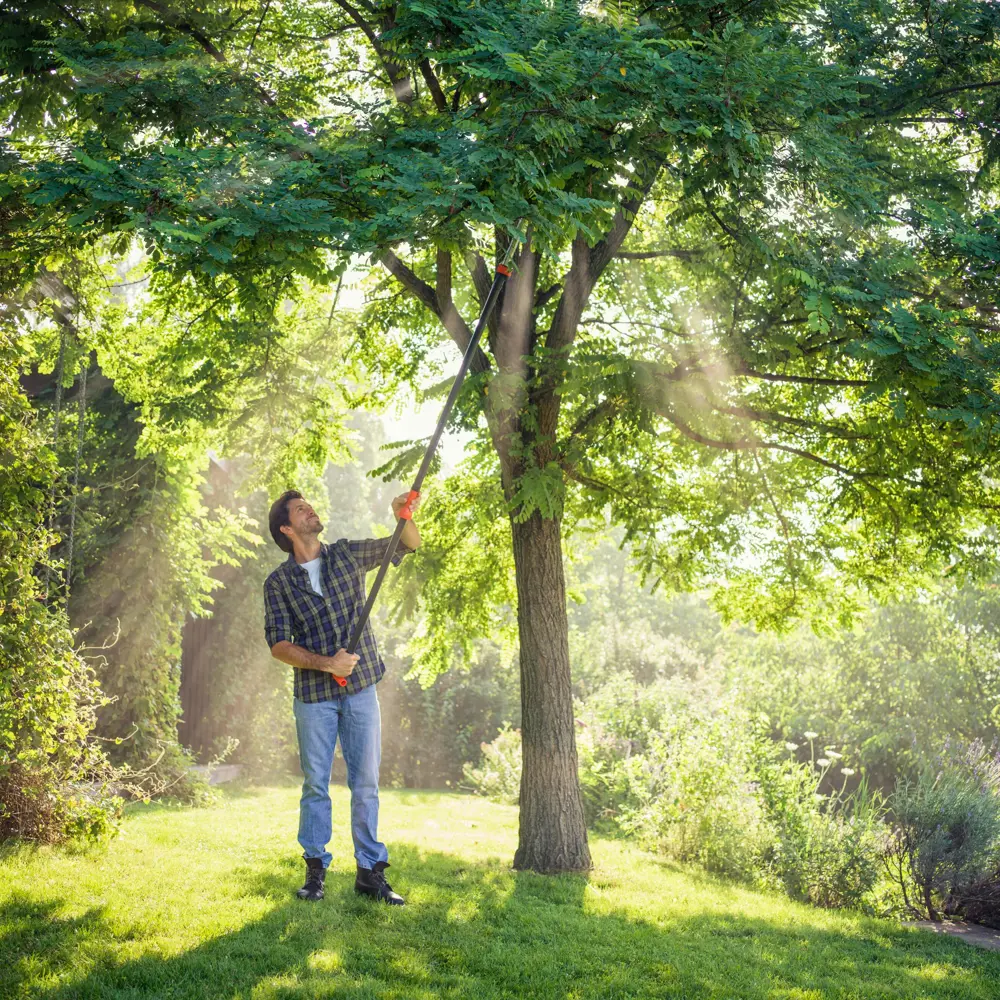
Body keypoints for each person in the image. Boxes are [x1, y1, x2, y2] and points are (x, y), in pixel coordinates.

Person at [263, 489, 421, 905]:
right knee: (316, 784)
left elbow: (406, 543)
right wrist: (326, 664)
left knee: (365, 783)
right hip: (314, 696)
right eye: (300, 510)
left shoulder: (347, 555)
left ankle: (370, 872)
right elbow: (279, 645)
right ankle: (315, 873)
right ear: (286, 527)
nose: (310, 510)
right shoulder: (279, 583)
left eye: (308, 506)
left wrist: (400, 514)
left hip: (362, 688)